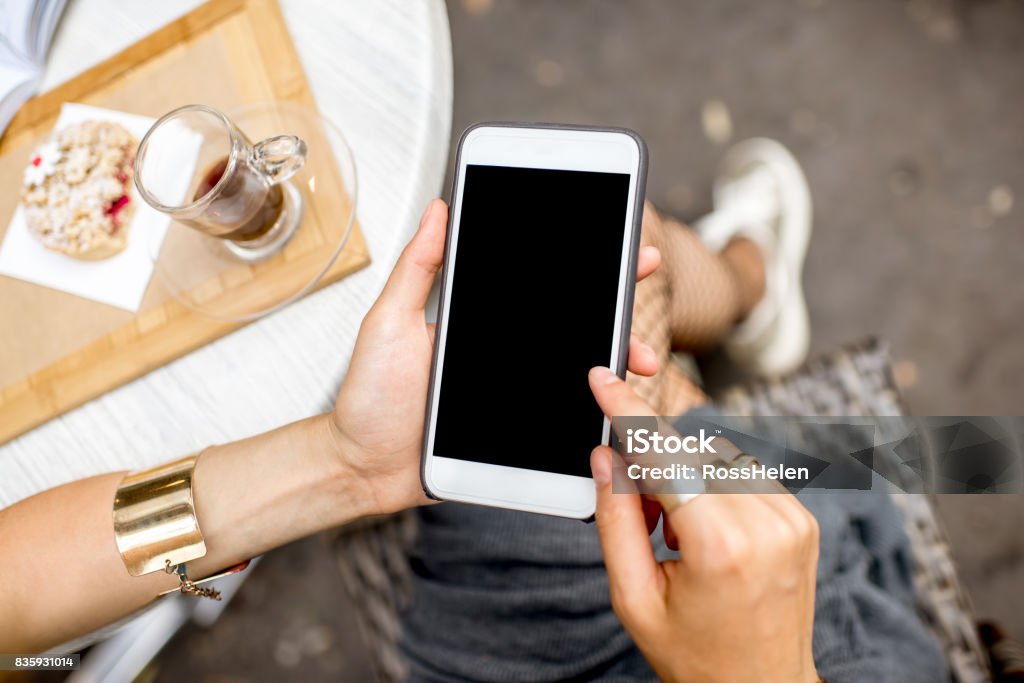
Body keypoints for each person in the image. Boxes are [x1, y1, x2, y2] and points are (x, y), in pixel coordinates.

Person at [0, 139, 944, 682]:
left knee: (630, 322)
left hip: (491, 633)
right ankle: (750, 280)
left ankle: (742, 286)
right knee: (634, 295)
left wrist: (343, 462)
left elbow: (16, 595)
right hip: (787, 644)